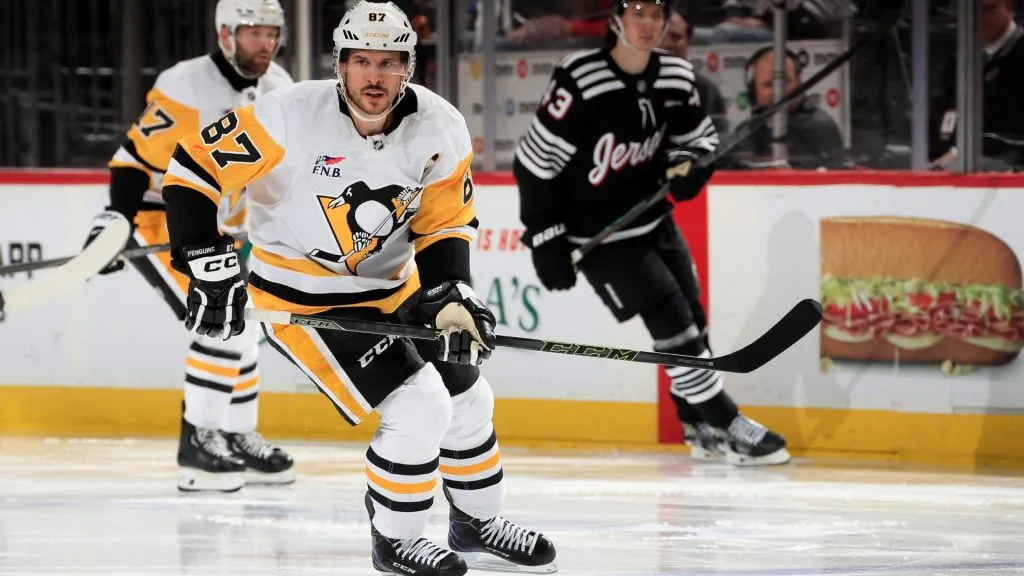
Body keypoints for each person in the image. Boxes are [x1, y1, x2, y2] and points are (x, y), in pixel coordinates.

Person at [159, 2, 556, 575]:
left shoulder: (440, 125)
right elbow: (194, 170)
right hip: (299, 296)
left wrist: (449, 293)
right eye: (362, 61)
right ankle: (395, 539)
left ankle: (475, 522)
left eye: (390, 62)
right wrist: (201, 253)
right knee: (419, 404)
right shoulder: (287, 114)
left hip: (391, 286)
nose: (375, 76)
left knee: (470, 396)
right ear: (340, 65)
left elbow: (444, 223)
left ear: (409, 67)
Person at [513, 0, 790, 466]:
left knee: (693, 319)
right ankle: (726, 421)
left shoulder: (675, 77)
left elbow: (698, 141)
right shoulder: (580, 77)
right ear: (616, 18)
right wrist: (545, 237)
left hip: (652, 220)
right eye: (638, 10)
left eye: (657, 13)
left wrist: (688, 167)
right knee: (673, 323)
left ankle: (697, 424)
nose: (648, 23)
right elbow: (535, 163)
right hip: (599, 234)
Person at [81, 0, 296, 492]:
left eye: (272, 33)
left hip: (229, 232)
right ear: (226, 34)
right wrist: (117, 216)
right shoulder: (184, 86)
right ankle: (198, 443)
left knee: (244, 325)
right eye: (254, 33)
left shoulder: (280, 88)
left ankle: (237, 436)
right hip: (167, 226)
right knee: (225, 328)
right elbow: (132, 159)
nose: (266, 43)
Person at [728, 46, 847, 169]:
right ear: (754, 91)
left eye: (785, 81)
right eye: (768, 84)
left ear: (799, 83)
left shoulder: (821, 128)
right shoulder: (746, 132)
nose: (778, 91)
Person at [659, 4, 729, 135]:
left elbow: (719, 143)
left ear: (687, 43)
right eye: (659, 36)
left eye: (676, 37)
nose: (666, 44)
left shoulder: (706, 91)